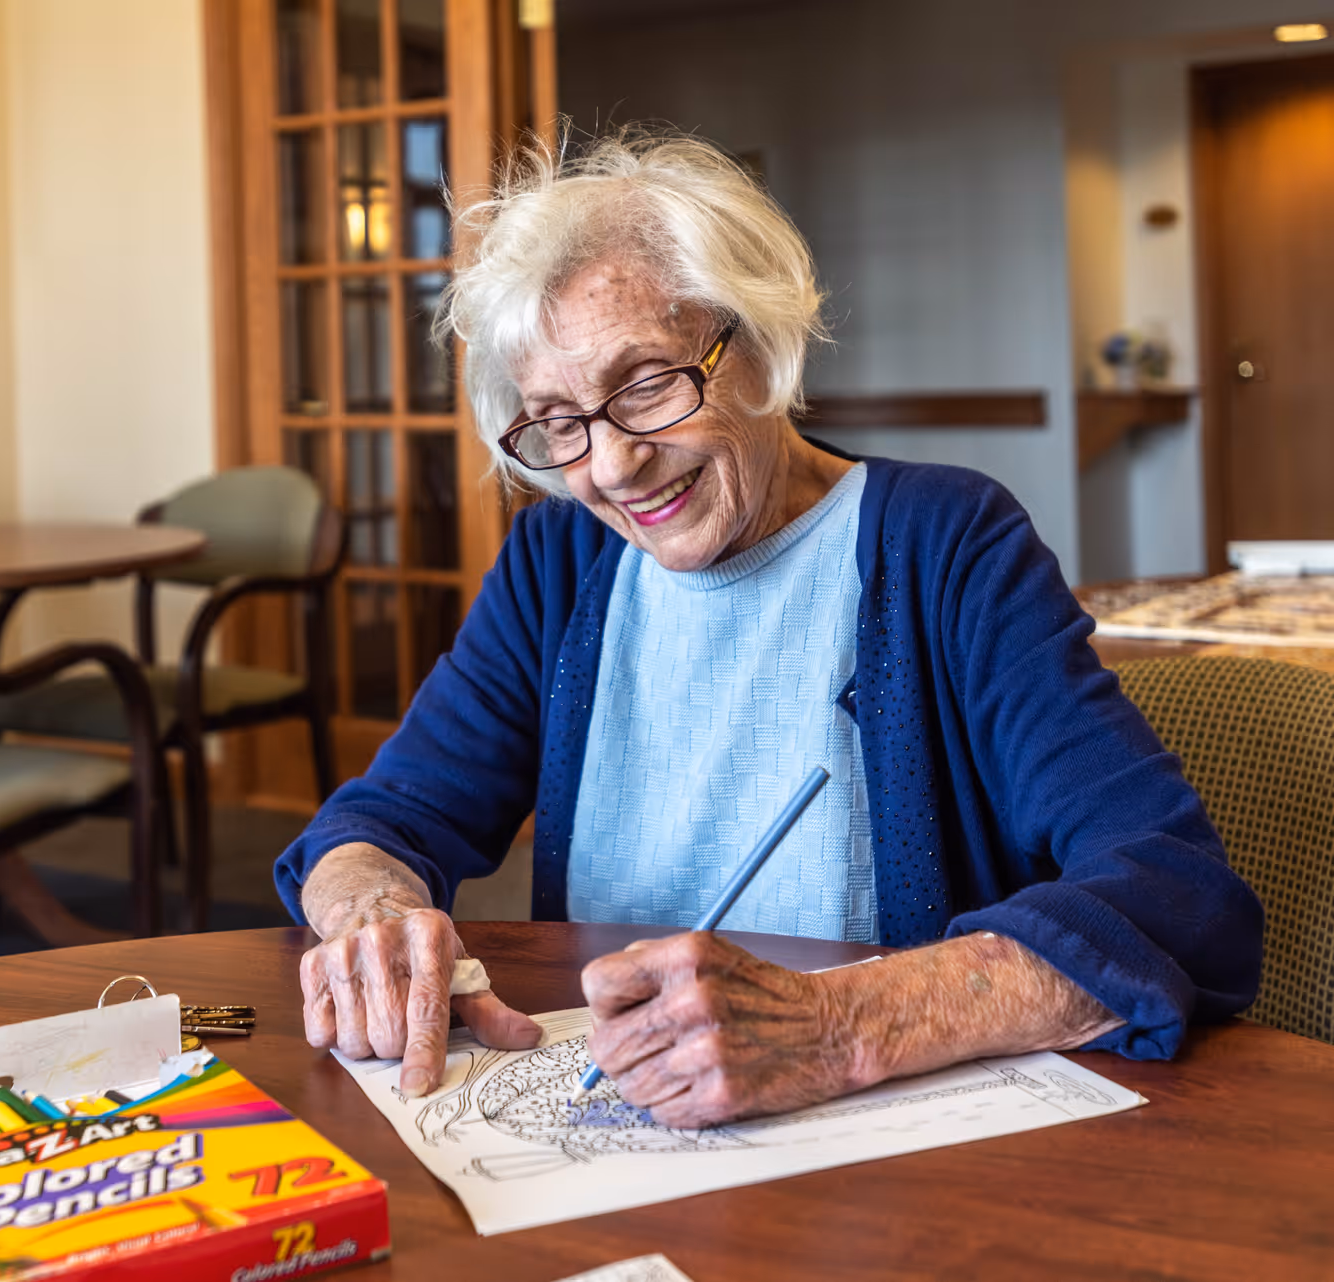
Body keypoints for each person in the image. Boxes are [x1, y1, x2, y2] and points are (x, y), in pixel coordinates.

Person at [273, 132, 1263, 1127]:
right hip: (637, 1122)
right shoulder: (559, 566)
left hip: (898, 1149)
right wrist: (373, 917)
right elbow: (379, 823)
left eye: (646, 384)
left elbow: (1172, 893)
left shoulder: (946, 545)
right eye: (560, 421)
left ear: (757, 339)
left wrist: (838, 1025)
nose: (611, 468)